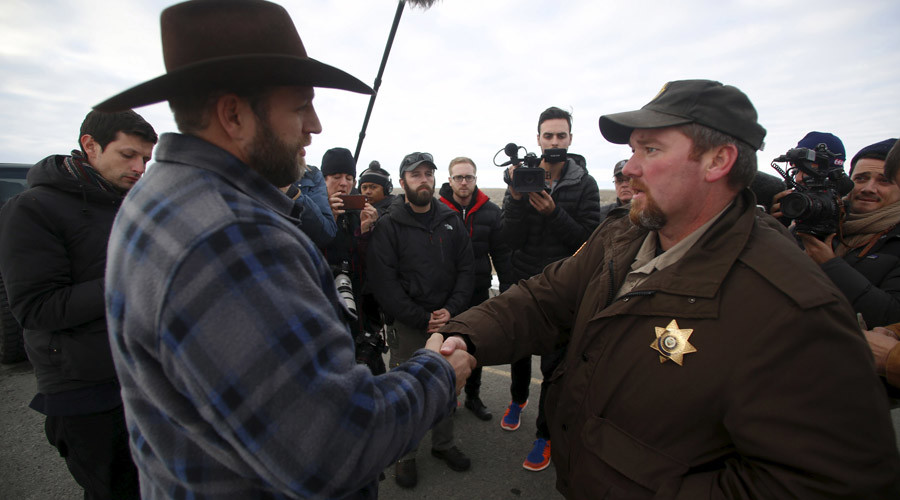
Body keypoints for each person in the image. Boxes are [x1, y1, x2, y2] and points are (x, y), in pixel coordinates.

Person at [439, 79, 900, 499]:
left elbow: (825, 483)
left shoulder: (792, 306)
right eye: (633, 151)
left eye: (651, 151)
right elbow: (545, 298)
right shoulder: (623, 235)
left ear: (719, 161)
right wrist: (467, 335)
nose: (631, 168)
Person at [95, 2, 474, 498]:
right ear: (233, 114)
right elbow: (333, 447)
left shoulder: (158, 193)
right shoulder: (230, 239)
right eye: (300, 106)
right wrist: (437, 372)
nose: (314, 126)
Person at [0, 109, 157, 500]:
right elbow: (36, 308)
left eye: (146, 159)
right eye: (128, 155)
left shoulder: (130, 205)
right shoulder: (32, 208)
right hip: (85, 391)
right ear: (90, 145)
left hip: (143, 378)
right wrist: (131, 279)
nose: (139, 168)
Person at [501, 106, 601, 472]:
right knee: (518, 352)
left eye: (561, 135)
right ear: (538, 139)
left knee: (556, 368)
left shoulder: (585, 184)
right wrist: (514, 200)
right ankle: (516, 399)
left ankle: (543, 434)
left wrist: (553, 213)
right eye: (548, 136)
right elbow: (508, 238)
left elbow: (588, 242)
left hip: (564, 288)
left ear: (570, 139)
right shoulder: (525, 178)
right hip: (527, 282)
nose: (554, 142)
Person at [368, 152, 475, 488]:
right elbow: (383, 281)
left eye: (428, 173)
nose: (424, 179)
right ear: (402, 182)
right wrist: (421, 317)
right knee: (406, 391)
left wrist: (452, 310)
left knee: (445, 386)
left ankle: (443, 444)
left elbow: (466, 268)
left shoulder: (450, 219)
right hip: (409, 323)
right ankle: (406, 455)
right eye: (415, 175)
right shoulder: (390, 224)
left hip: (446, 320)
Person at [438, 156, 515, 421]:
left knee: (475, 346)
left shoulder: (491, 212)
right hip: (445, 293)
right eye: (458, 177)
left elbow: (501, 253)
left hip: (479, 290)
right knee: (445, 345)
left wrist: (507, 288)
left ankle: (473, 396)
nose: (463, 182)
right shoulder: (437, 210)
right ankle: (448, 396)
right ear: (450, 180)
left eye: (468, 177)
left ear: (475, 179)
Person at [797, 138, 900, 327]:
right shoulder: (818, 220)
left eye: (884, 181)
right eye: (860, 178)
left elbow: (893, 316)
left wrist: (830, 265)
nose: (868, 188)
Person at [319, 146, 384, 373]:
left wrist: (366, 231)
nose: (344, 183)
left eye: (349, 177)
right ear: (323, 179)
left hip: (359, 313)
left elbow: (369, 268)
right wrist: (327, 221)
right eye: (336, 177)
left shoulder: (357, 215)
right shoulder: (311, 215)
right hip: (325, 316)